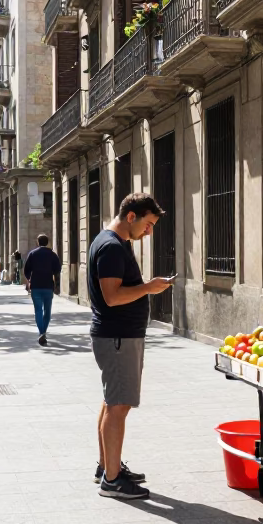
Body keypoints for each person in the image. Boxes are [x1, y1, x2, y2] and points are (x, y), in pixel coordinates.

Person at [90, 193, 171, 500]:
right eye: (148, 225)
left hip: (120, 336)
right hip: (118, 336)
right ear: (131, 217)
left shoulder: (115, 242)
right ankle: (111, 481)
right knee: (119, 406)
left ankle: (106, 467)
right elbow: (112, 296)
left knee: (113, 402)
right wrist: (150, 287)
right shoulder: (111, 246)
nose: (148, 232)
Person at [24, 234, 61, 346]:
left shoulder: (32, 254)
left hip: (35, 286)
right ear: (47, 242)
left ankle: (41, 332)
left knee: (38, 310)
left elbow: (26, 270)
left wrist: (29, 280)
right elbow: (57, 270)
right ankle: (43, 331)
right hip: (48, 286)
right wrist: (57, 284)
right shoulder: (52, 254)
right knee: (47, 311)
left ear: (37, 242)